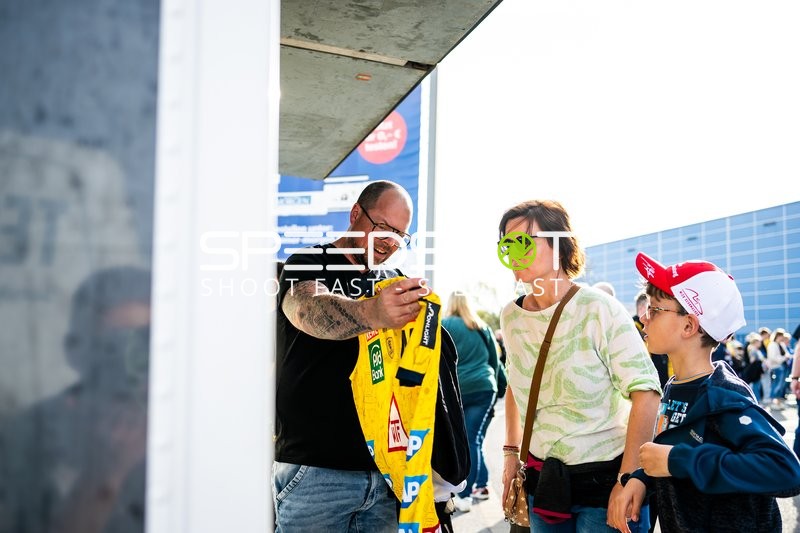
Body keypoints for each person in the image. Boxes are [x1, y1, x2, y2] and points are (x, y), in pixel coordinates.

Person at [497, 200, 662, 533]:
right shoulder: (510, 316)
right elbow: (517, 384)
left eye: (524, 240)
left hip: (605, 485)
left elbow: (646, 391)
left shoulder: (598, 308)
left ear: (559, 245)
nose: (514, 251)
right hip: (543, 483)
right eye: (506, 242)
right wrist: (511, 454)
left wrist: (628, 478)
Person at [274, 180, 429, 532]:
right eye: (384, 228)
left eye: (401, 235)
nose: (391, 242)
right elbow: (307, 310)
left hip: (388, 474)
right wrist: (373, 313)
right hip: (315, 472)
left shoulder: (395, 280)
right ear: (356, 213)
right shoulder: (309, 262)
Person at [624, 253, 800, 532]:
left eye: (655, 309)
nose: (644, 318)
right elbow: (676, 460)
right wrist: (642, 479)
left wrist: (676, 460)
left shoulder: (724, 395)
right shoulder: (675, 387)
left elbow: (785, 470)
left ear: (689, 325)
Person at [0, 266, 152, 533]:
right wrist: (107, 472)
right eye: (112, 347)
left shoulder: (189, 432)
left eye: (145, 343)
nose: (132, 364)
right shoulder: (25, 438)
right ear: (75, 352)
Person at [442, 291, 501, 512]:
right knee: (473, 439)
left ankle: (465, 495)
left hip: (459, 391)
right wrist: (496, 389)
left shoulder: (445, 324)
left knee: (467, 441)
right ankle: (482, 485)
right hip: (485, 388)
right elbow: (494, 362)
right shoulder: (481, 326)